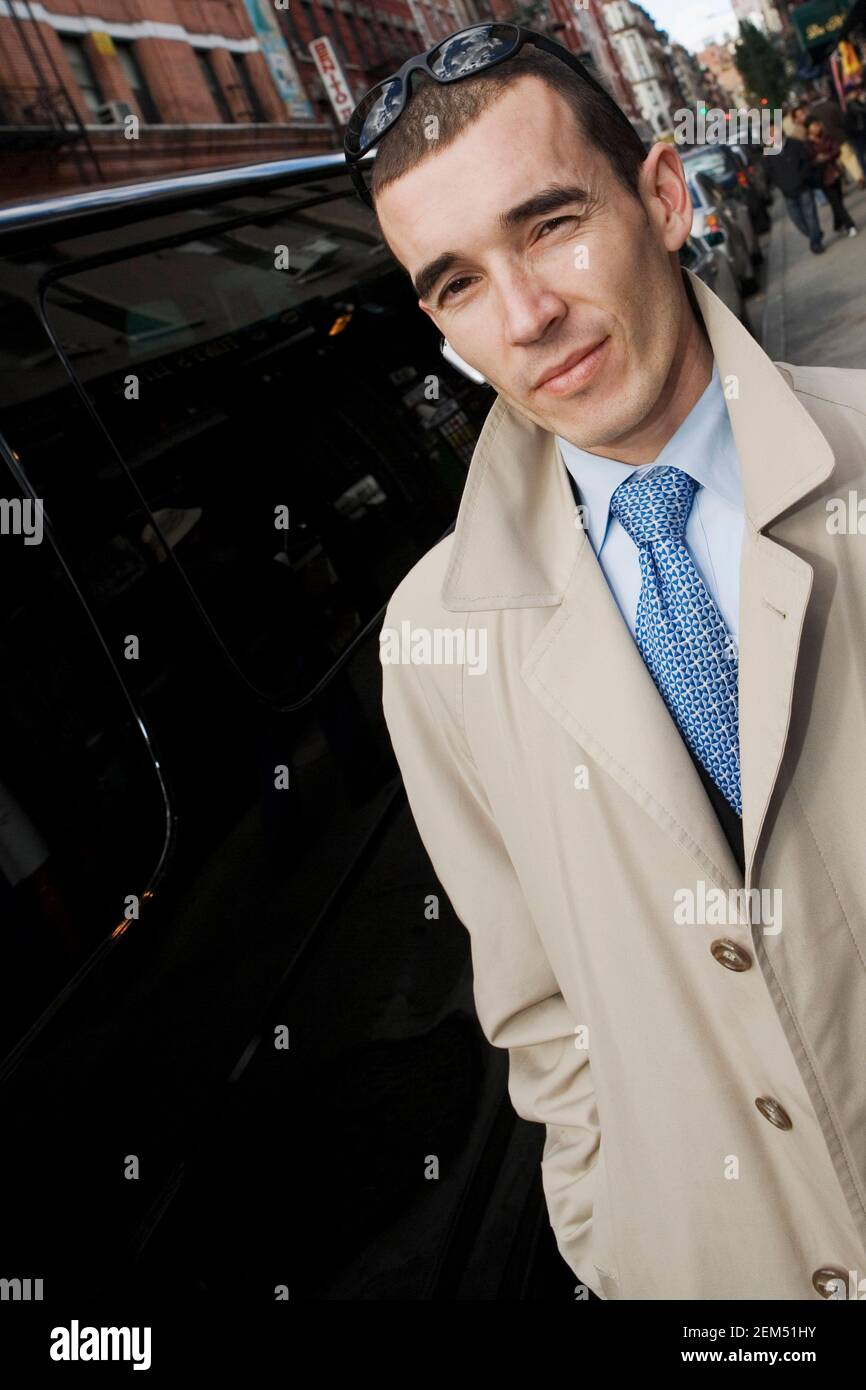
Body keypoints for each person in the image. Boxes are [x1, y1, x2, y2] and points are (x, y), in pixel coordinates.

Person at [345, 24, 866, 1300]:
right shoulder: (431, 638)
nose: (524, 318)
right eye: (455, 283)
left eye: (548, 224)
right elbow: (536, 1014)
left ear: (664, 194)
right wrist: (618, 1247)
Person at [764, 113, 824, 251]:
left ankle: (815, 244)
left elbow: (806, 162)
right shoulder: (769, 153)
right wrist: (782, 185)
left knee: (810, 216)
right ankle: (815, 234)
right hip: (788, 192)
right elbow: (770, 173)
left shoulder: (795, 144)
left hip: (802, 187)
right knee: (798, 221)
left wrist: (802, 178)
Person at [806, 84, 866, 189]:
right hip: (840, 137)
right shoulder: (832, 105)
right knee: (850, 158)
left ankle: (842, 185)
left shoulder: (812, 113)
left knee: (834, 164)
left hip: (825, 142)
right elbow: (843, 120)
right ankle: (859, 177)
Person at [807, 117, 858, 236]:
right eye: (813, 126)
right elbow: (808, 160)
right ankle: (850, 225)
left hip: (834, 172)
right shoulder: (806, 144)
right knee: (836, 203)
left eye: (817, 125)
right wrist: (817, 160)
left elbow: (837, 150)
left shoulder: (827, 136)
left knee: (838, 201)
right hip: (822, 176)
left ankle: (837, 224)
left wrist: (826, 157)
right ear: (808, 128)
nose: (816, 128)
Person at [844, 79, 866, 183]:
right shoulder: (852, 104)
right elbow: (862, 111)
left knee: (861, 156)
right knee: (861, 157)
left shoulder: (852, 103)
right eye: (854, 91)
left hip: (858, 134)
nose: (856, 92)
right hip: (858, 135)